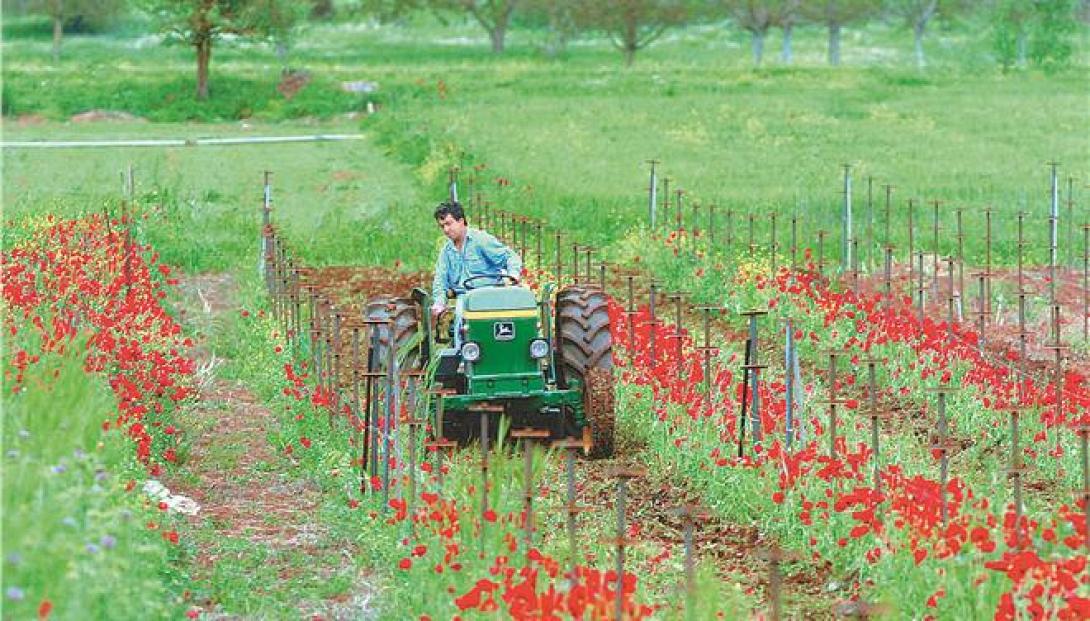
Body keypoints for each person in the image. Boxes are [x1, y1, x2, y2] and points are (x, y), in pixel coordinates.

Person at [430, 201, 523, 320]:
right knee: (458, 320)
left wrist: (513, 275)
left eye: (449, 224)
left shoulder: (480, 240)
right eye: (442, 226)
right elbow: (440, 279)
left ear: (461, 221)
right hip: (464, 299)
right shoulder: (446, 252)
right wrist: (439, 302)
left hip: (489, 295)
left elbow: (509, 256)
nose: (446, 230)